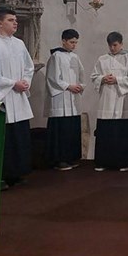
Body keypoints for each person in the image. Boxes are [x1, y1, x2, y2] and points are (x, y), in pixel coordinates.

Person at [0, 8, 35, 189]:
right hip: (1, 98)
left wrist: (25, 82)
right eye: (10, 20)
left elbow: (29, 67)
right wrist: (12, 83)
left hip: (18, 97)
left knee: (18, 137)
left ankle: (16, 173)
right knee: (3, 140)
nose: (15, 23)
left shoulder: (19, 44)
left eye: (16, 20)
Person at [91, 32, 128, 172]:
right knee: (105, 133)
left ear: (121, 44)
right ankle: (103, 162)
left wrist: (117, 80)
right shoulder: (102, 59)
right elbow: (94, 76)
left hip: (122, 100)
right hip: (106, 101)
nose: (112, 48)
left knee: (123, 133)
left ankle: (124, 162)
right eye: (110, 45)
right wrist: (102, 78)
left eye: (115, 45)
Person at [44, 29, 85, 171]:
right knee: (61, 130)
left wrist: (80, 86)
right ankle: (59, 160)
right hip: (61, 98)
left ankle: (70, 157)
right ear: (63, 41)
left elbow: (81, 74)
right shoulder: (56, 56)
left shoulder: (75, 57)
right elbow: (52, 78)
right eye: (71, 42)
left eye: (76, 42)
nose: (74, 45)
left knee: (71, 130)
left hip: (73, 99)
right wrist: (68, 86)